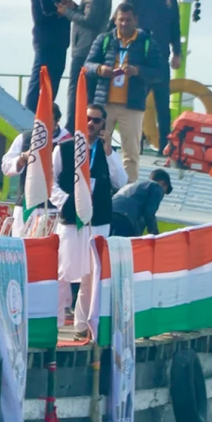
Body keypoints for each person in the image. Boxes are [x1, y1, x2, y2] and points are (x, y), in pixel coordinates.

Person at [50, 103, 127, 337]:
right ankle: (53, 322)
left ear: (104, 124)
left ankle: (82, 326)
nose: (91, 124)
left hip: (99, 219)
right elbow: (50, 181)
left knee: (91, 276)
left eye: (96, 121)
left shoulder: (107, 152)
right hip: (71, 219)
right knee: (63, 271)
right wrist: (65, 201)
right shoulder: (63, 149)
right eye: (87, 119)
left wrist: (108, 152)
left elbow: (121, 181)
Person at [85, 3, 164, 183]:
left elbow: (159, 74)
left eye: (128, 20)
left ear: (136, 20)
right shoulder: (104, 40)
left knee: (131, 152)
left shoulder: (147, 43)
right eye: (121, 20)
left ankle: (127, 191)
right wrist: (99, 69)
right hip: (104, 105)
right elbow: (87, 66)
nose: (124, 23)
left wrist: (138, 71)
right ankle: (96, 183)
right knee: (96, 146)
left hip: (132, 106)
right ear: (115, 20)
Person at [123, 0, 182, 153]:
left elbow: (175, 25)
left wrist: (177, 52)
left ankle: (165, 148)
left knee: (163, 107)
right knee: (137, 105)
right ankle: (135, 147)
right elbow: (121, 23)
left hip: (161, 59)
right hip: (139, 60)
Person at [57, 0, 113, 132]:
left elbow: (90, 20)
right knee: (84, 90)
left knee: (77, 90)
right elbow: (89, 15)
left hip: (85, 50)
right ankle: (79, 126)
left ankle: (73, 127)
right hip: (86, 48)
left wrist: (67, 12)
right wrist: (75, 7)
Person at [1, 103, 70, 236]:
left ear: (56, 121)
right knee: (22, 249)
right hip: (26, 206)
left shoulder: (68, 142)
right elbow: (6, 166)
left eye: (47, 120)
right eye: (40, 120)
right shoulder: (25, 138)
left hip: (54, 208)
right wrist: (22, 158)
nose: (42, 124)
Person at [27, 0, 71, 112]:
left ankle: (47, 112)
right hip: (45, 42)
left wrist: (69, 10)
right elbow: (41, 15)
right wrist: (60, 13)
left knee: (55, 78)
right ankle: (29, 114)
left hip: (61, 42)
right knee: (38, 80)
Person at [111, 168, 172, 237]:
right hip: (124, 217)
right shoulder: (157, 187)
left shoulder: (133, 185)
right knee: (121, 246)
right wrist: (155, 235)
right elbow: (149, 213)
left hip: (108, 212)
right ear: (162, 183)